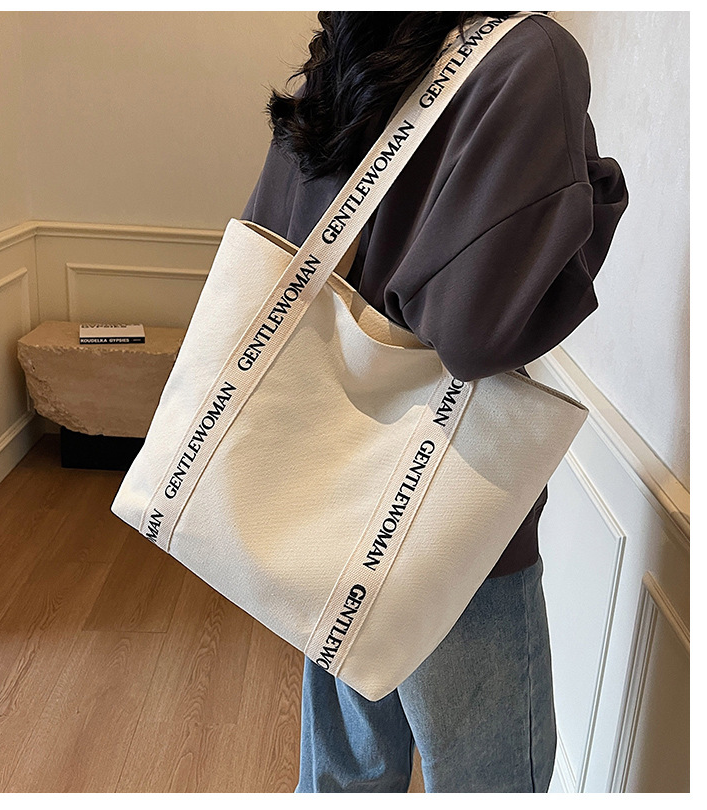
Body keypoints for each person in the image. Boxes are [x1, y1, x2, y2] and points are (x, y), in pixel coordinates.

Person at [240, 11, 628, 793]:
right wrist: (597, 191)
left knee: (347, 777)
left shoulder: (342, 62)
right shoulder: (527, 57)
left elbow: (262, 254)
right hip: (446, 518)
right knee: (492, 786)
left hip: (327, 507)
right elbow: (478, 332)